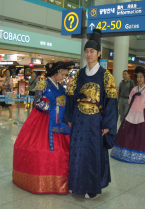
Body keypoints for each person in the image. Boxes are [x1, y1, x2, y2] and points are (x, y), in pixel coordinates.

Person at [63, 29, 118, 199]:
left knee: (93, 152)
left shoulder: (106, 75)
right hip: (79, 119)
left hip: (96, 120)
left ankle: (92, 187)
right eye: (86, 51)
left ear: (99, 53)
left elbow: (111, 100)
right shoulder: (79, 74)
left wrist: (108, 124)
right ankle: (76, 183)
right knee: (77, 151)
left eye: (92, 51)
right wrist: (69, 117)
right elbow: (71, 95)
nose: (88, 54)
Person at [12, 61, 74, 194]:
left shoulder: (61, 86)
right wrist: (52, 108)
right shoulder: (43, 84)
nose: (64, 77)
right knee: (40, 147)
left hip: (59, 120)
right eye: (62, 74)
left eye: (65, 74)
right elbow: (37, 102)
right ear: (56, 73)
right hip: (43, 119)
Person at [111, 66, 145, 164]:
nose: (139, 79)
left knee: (144, 133)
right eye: (138, 77)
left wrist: (141, 105)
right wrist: (133, 102)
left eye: (141, 77)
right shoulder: (134, 89)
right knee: (129, 131)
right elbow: (130, 99)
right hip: (132, 112)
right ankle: (126, 151)